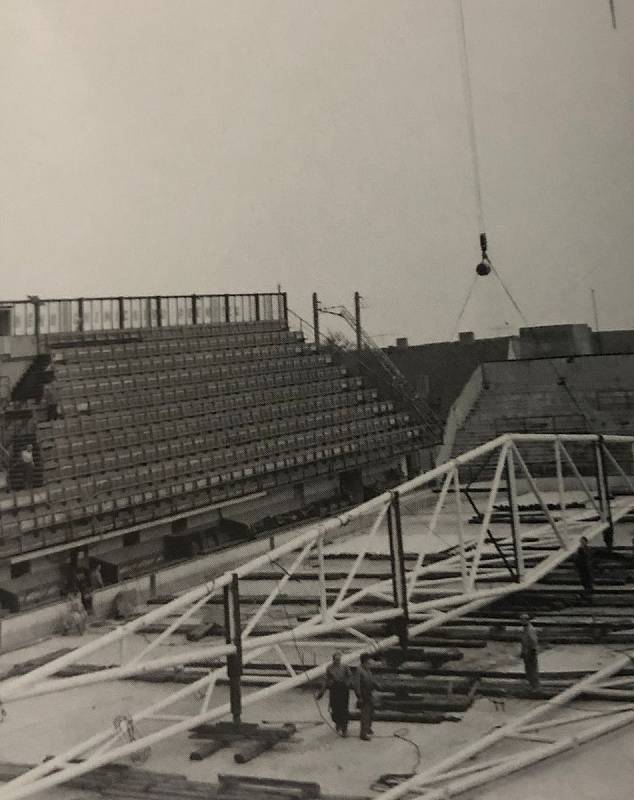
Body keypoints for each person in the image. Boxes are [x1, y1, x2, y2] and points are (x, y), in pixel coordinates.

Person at [316, 652, 353, 737]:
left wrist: (348, 683)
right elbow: (326, 680)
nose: (337, 661)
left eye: (339, 659)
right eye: (336, 660)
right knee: (335, 709)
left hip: (343, 690)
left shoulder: (345, 667)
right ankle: (338, 723)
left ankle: (344, 729)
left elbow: (350, 676)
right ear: (333, 660)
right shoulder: (329, 668)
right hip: (334, 690)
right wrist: (321, 692)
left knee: (344, 710)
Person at [355, 653, 380, 741]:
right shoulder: (359, 670)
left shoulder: (368, 669)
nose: (370, 661)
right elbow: (357, 685)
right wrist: (359, 696)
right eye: (369, 660)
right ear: (365, 661)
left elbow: (371, 680)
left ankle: (368, 728)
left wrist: (377, 685)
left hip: (370, 694)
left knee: (371, 713)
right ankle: (363, 734)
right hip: (363, 695)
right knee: (365, 715)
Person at [520, 614, 540, 690]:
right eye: (521, 620)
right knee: (528, 670)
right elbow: (524, 642)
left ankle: (535, 687)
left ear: (527, 620)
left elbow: (534, 641)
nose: (521, 621)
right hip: (526, 652)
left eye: (523, 620)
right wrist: (522, 652)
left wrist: (532, 652)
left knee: (532, 670)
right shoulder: (525, 629)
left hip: (530, 653)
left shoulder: (530, 629)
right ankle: (532, 686)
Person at [575, 536, 594, 602]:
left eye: (583, 541)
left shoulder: (588, 550)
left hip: (587, 569)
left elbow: (589, 558)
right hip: (583, 569)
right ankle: (586, 596)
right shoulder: (580, 550)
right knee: (585, 583)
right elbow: (577, 560)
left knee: (588, 583)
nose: (582, 543)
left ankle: (586, 596)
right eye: (581, 541)